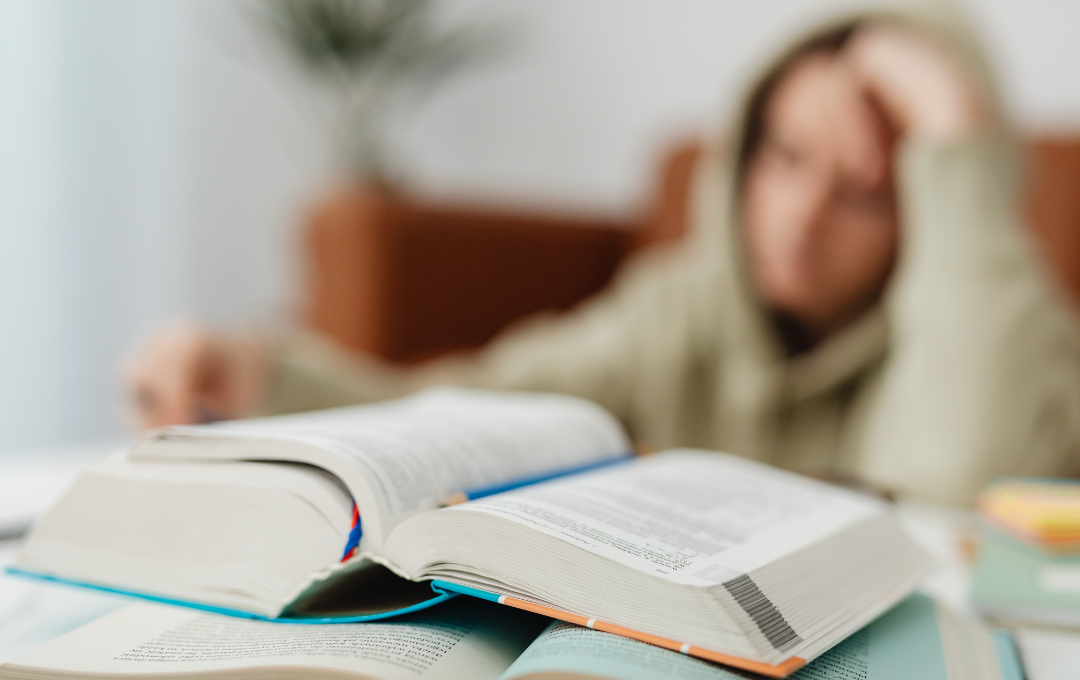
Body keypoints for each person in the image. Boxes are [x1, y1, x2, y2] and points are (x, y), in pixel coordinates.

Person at [126, 6, 1080, 505]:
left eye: (863, 190)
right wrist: (263, 376)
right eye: (784, 157)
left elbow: (962, 492)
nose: (800, 214)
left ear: (936, 203)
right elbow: (478, 401)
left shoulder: (1010, 336)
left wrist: (954, 128)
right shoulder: (680, 312)